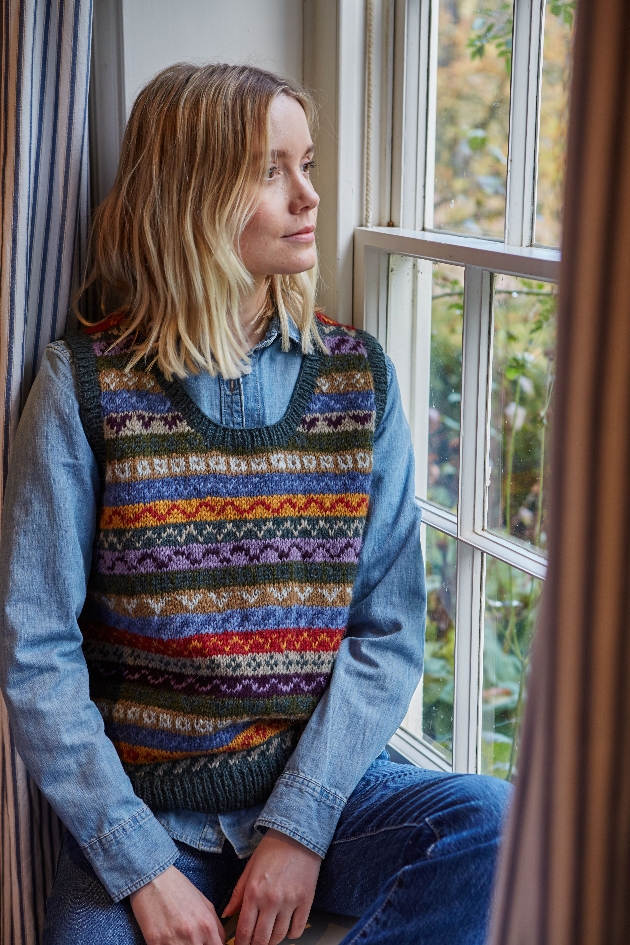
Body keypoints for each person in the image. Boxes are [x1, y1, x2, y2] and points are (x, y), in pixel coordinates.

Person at [0, 63, 510, 945]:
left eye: (305, 163)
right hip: (147, 820)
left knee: (496, 827)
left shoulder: (357, 378)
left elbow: (388, 631)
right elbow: (36, 650)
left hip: (328, 794)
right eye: (272, 171)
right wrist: (141, 868)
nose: (309, 195)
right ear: (191, 194)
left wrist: (302, 822)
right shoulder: (82, 388)